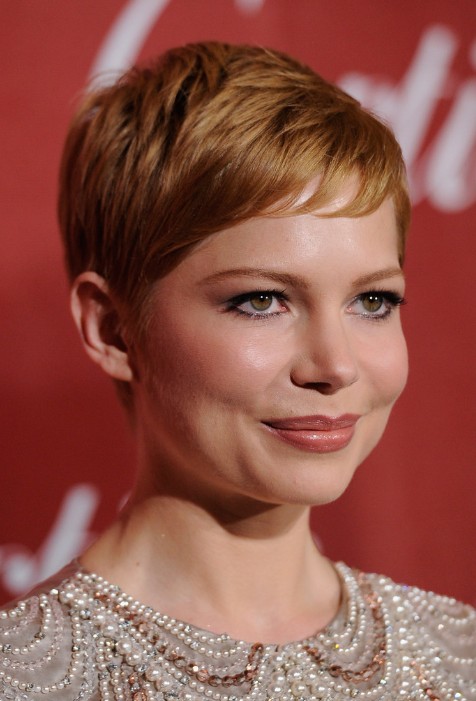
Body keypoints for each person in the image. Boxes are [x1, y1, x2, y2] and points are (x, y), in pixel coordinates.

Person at [0, 41, 474, 701]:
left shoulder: (458, 659)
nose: (336, 365)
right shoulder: (25, 679)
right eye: (262, 300)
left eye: (373, 301)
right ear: (112, 328)